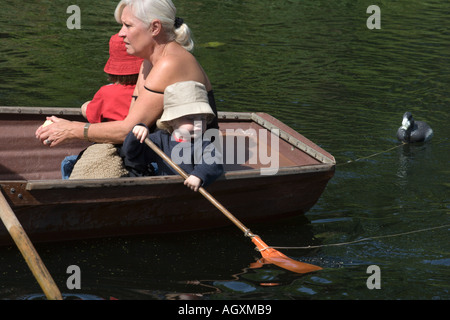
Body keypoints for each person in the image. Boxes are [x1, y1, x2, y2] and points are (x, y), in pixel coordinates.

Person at [35, 0, 218, 148]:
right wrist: (66, 126)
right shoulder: (148, 61)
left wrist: (72, 130)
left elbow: (128, 130)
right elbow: (129, 122)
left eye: (128, 25)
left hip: (192, 162)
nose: (121, 33)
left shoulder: (169, 64)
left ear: (155, 27)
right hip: (163, 148)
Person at [61, 32, 143, 179]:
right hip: (139, 154)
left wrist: (85, 106)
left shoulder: (106, 92)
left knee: (67, 163)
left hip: (111, 145)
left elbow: (90, 113)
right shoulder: (148, 93)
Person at [121, 81, 223, 191]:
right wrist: (136, 134)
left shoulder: (204, 143)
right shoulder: (159, 139)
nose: (198, 123)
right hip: (163, 190)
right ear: (171, 121)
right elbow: (132, 154)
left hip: (190, 192)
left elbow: (214, 162)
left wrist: (199, 175)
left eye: (202, 118)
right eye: (190, 118)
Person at [81, 33, 143, 123]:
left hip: (114, 133)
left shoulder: (106, 93)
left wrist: (85, 106)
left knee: (85, 107)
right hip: (144, 132)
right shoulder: (150, 91)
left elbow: (92, 115)